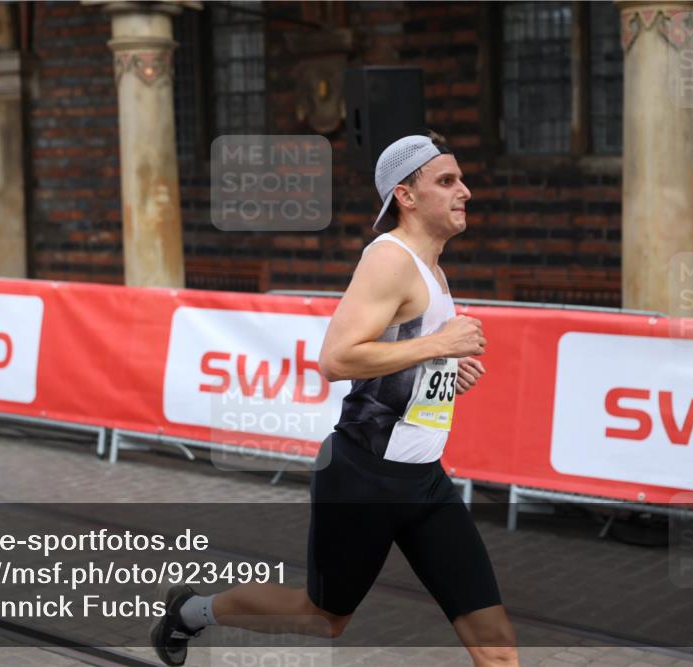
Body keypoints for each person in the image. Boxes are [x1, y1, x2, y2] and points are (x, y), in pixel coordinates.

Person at [151, 132, 519, 666]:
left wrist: (444, 368)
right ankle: (192, 612)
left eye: (460, 179)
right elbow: (336, 359)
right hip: (363, 478)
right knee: (322, 618)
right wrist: (440, 343)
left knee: (497, 647)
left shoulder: (432, 268)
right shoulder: (389, 259)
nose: (465, 191)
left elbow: (397, 357)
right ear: (406, 196)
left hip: (424, 480)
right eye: (447, 181)